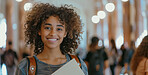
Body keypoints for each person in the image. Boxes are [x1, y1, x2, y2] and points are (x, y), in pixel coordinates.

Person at [15, 3, 88, 75]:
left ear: (65, 33)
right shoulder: (26, 66)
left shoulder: (78, 64)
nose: (53, 33)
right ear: (39, 31)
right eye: (47, 28)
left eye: (59, 29)